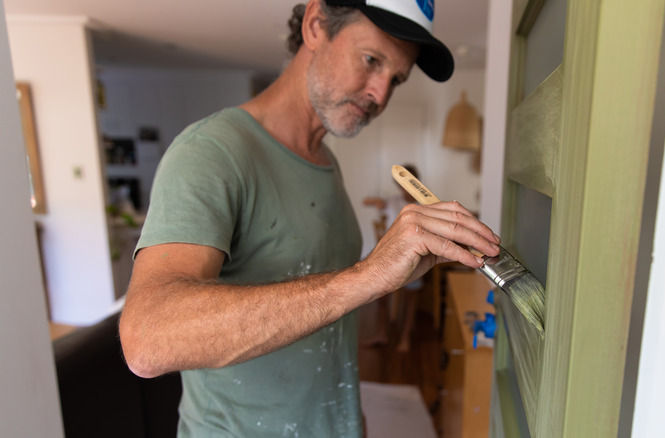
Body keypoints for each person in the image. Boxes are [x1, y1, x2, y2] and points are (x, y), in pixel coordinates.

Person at [118, 1, 501, 436]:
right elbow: (147, 340)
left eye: (395, 78)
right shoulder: (212, 153)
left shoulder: (324, 162)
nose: (380, 94)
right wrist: (366, 276)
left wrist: (347, 417)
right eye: (371, 60)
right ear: (316, 25)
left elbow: (326, 329)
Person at [362, 163, 423, 352]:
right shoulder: (392, 201)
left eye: (408, 182)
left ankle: (405, 338)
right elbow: (367, 201)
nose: (403, 188)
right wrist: (376, 201)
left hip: (414, 256)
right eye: (400, 183)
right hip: (390, 256)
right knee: (381, 297)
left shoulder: (423, 204)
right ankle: (382, 333)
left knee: (410, 298)